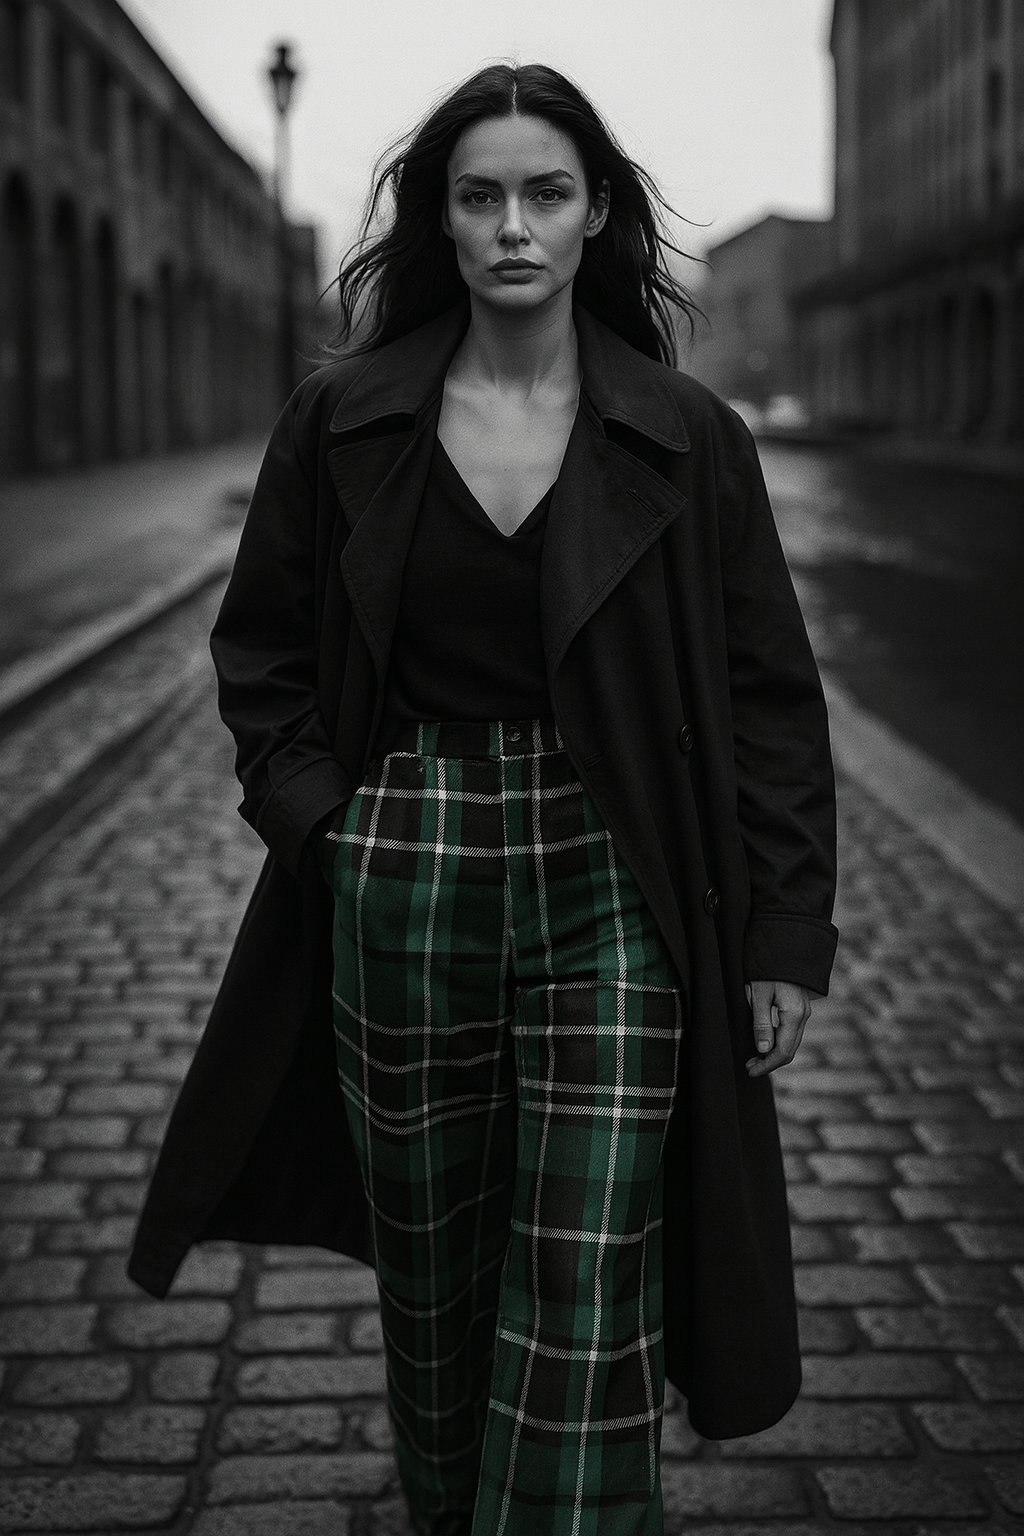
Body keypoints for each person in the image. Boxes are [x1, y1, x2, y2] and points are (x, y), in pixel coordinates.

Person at [129, 62, 838, 1536]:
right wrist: (327, 818)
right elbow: (261, 648)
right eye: (480, 196)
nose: (514, 224)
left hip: (619, 873)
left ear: (595, 219)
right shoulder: (342, 423)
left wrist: (780, 931)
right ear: (440, 222)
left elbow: (769, 693)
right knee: (436, 1278)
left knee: (586, 1286)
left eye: (546, 193)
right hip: (405, 865)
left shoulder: (692, 438)